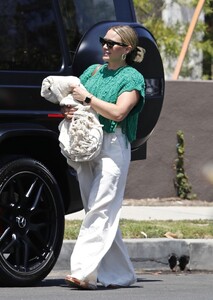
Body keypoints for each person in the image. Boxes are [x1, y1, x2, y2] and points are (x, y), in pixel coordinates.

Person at [63, 25, 145, 290]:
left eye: (112, 43)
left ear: (128, 49)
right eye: (104, 41)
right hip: (89, 144)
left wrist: (86, 98)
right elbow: (79, 104)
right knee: (98, 210)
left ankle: (84, 272)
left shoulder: (132, 78)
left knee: (100, 209)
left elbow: (119, 112)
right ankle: (121, 274)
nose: (106, 46)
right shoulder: (93, 72)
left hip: (113, 146)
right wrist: (71, 110)